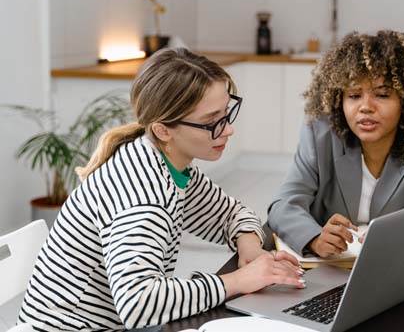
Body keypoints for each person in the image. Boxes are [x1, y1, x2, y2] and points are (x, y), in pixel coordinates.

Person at [18, 48, 304, 331]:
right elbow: (138, 303)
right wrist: (238, 281)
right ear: (163, 130)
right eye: (211, 121)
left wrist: (250, 248)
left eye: (226, 113)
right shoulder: (145, 198)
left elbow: (231, 214)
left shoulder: (165, 164)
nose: (227, 130)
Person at [268, 30, 404, 270]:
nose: (365, 107)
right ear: (339, 100)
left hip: (399, 279)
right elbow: (284, 205)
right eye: (353, 95)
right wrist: (314, 238)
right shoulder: (320, 136)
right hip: (328, 274)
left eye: (382, 94)